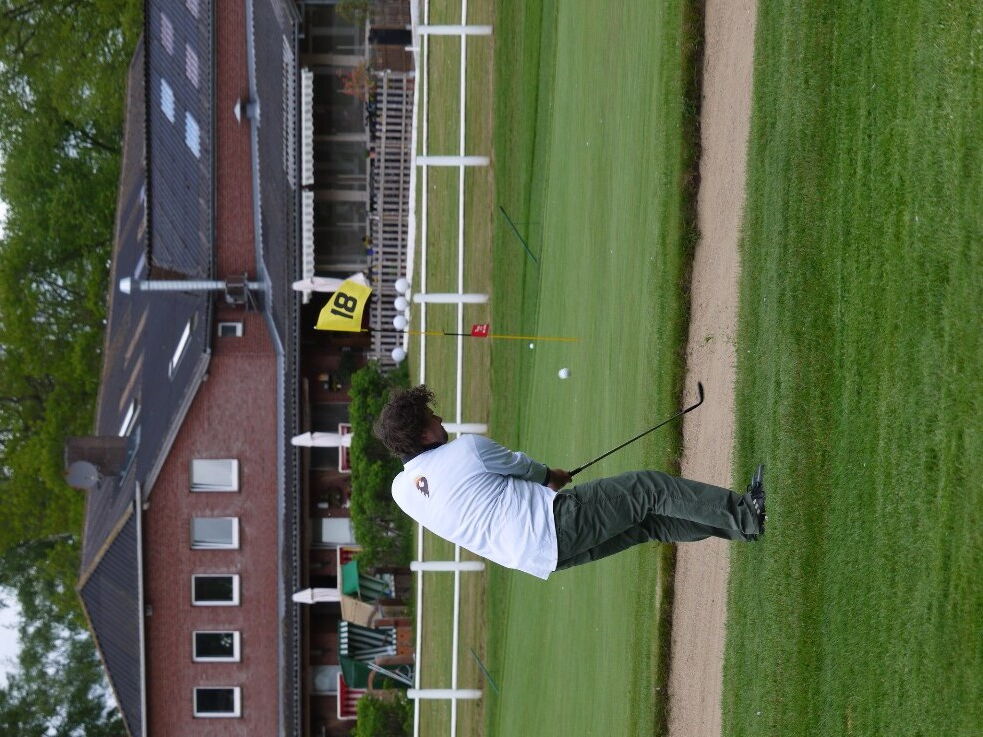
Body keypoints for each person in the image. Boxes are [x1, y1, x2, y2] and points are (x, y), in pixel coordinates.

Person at [374, 385, 766, 580]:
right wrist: (553, 477)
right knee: (647, 489)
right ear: (423, 435)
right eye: (432, 418)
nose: (440, 419)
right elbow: (526, 469)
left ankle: (741, 528)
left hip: (540, 559)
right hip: (552, 523)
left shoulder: (401, 492)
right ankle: (747, 514)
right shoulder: (467, 449)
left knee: (647, 523)